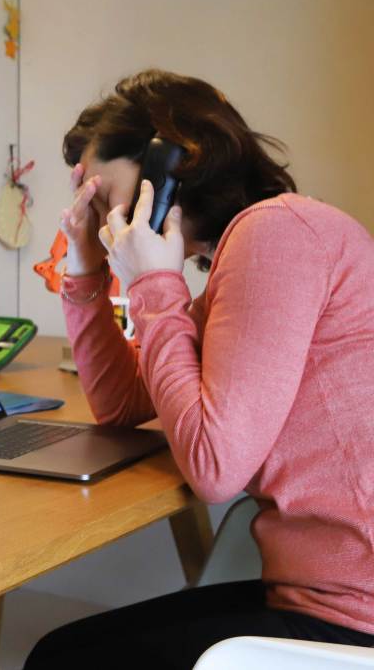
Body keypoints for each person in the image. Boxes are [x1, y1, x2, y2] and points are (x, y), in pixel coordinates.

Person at [24, 70, 374, 669]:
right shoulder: (253, 248)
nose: (107, 223)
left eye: (105, 199)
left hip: (351, 621)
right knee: (63, 651)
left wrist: (153, 283)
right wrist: (85, 267)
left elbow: (214, 468)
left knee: (60, 660)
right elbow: (122, 402)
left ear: (171, 163)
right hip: (325, 596)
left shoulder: (275, 234)